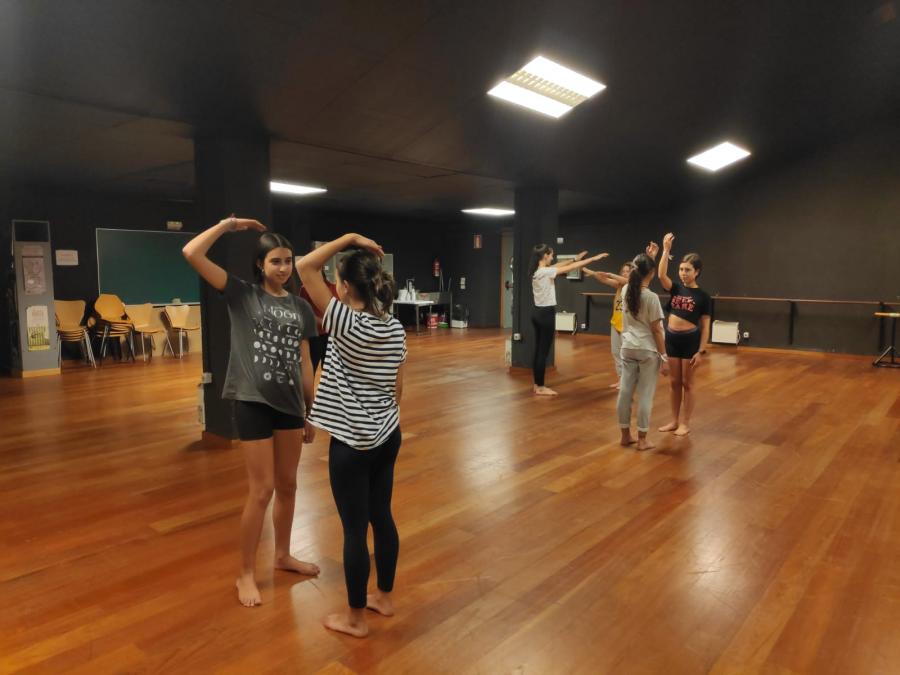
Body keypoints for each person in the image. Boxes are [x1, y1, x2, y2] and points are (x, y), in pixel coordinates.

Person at [182, 216, 319, 607]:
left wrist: (312, 411)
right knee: (262, 491)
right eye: (275, 261)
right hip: (253, 401)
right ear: (260, 265)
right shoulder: (241, 294)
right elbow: (191, 252)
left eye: (288, 261)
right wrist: (227, 226)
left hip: (291, 406)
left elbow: (304, 363)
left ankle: (282, 555)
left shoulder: (300, 308)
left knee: (289, 486)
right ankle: (244, 572)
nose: (284, 268)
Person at [297, 233, 407, 639]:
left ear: (342, 287)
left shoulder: (342, 320)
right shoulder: (394, 327)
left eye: (336, 282)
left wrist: (348, 239)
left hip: (351, 444)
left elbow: (303, 266)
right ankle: (385, 597)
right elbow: (398, 390)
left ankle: (356, 619)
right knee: (383, 517)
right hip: (388, 436)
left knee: (353, 530)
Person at [528, 245, 609, 396]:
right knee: (543, 353)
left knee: (539, 351)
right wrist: (592, 259)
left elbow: (558, 266)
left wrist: (575, 258)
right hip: (546, 314)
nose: (552, 258)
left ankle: (536, 384)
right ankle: (540, 387)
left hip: (537, 313)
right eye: (551, 255)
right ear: (545, 256)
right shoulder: (545, 272)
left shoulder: (537, 272)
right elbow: (568, 268)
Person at [656, 232, 711, 436]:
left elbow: (706, 326)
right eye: (680, 269)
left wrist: (701, 351)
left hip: (690, 342)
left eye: (687, 270)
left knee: (688, 384)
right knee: (673, 383)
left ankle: (685, 423)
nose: (682, 273)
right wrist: (666, 250)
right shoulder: (676, 289)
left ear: (696, 272)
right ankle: (673, 420)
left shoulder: (703, 296)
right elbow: (661, 275)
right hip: (671, 339)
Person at [617, 252, 669, 451]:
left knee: (625, 392)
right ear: (653, 273)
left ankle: (624, 436)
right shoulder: (651, 297)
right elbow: (656, 330)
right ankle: (642, 439)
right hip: (647, 350)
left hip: (627, 347)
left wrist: (648, 256)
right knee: (645, 394)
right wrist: (664, 356)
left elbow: (639, 270)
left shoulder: (625, 291)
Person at [583, 261, 635, 389]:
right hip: (615, 323)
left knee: (626, 354)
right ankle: (621, 379)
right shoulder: (618, 285)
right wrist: (587, 270)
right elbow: (603, 279)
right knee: (616, 352)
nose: (624, 273)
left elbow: (624, 280)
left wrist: (610, 274)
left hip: (628, 325)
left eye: (627, 271)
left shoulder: (633, 286)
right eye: (623, 271)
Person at [299, 268, 339, 374]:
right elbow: (304, 313)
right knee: (310, 369)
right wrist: (324, 322)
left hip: (330, 335)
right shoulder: (305, 289)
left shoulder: (333, 287)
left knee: (330, 371)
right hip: (314, 335)